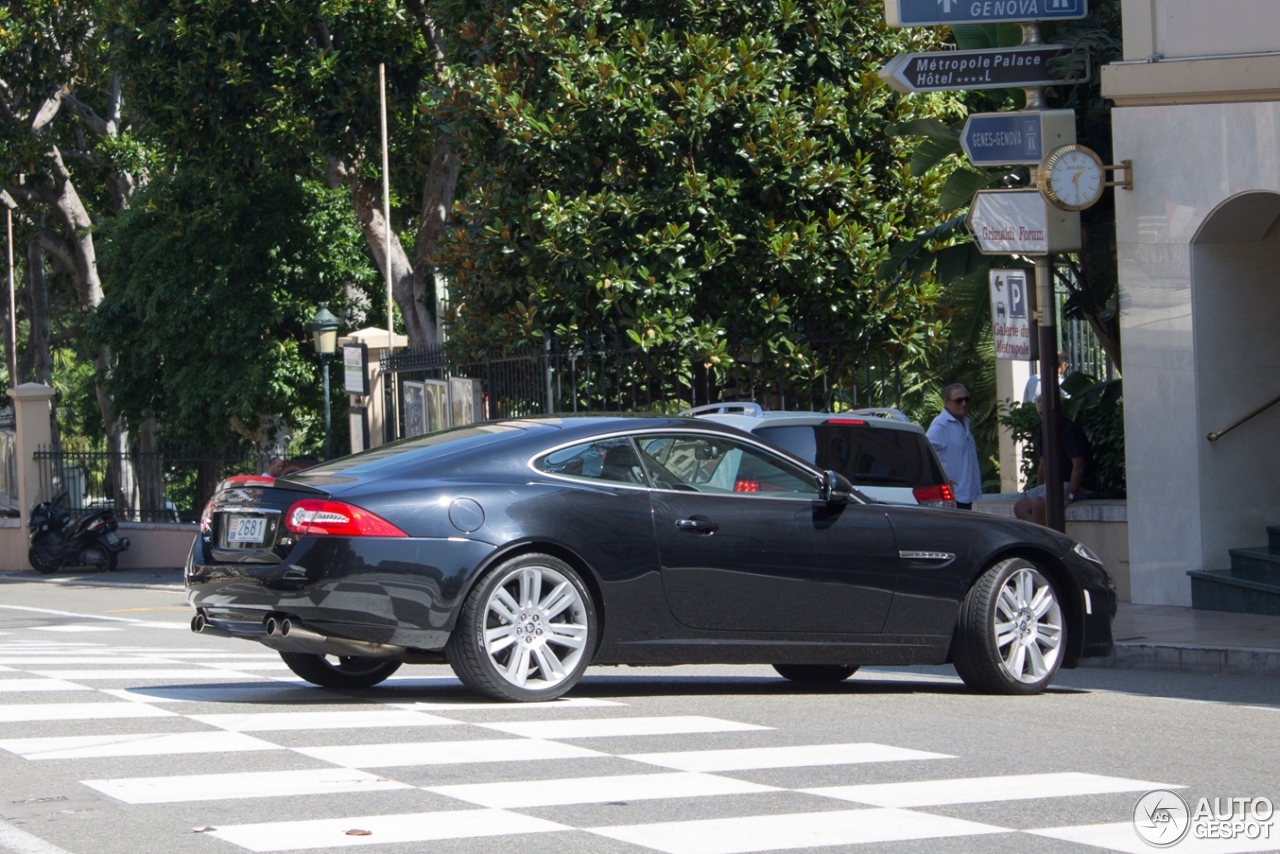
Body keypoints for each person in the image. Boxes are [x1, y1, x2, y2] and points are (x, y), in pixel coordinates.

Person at [1014, 394, 1094, 526]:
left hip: (1077, 484)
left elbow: (1079, 466)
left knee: (1040, 504)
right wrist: (1040, 488)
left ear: (1059, 410)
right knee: (1020, 507)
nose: (1044, 417)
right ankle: (1041, 536)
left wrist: (1071, 495)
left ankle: (1043, 540)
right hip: (1056, 484)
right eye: (1041, 414)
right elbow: (1043, 465)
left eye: (1047, 412)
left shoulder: (1070, 430)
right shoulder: (1044, 431)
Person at [926, 383, 982, 510]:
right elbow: (925, 452)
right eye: (958, 401)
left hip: (966, 493)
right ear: (947, 402)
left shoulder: (965, 422)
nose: (964, 404)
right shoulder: (941, 425)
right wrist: (940, 478)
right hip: (952, 497)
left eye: (966, 399)